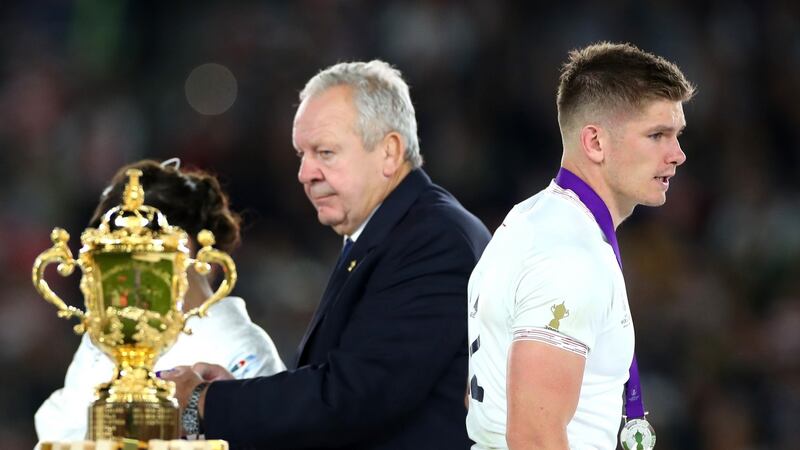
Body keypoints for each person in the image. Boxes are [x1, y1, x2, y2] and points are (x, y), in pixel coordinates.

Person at [163, 60, 491, 449]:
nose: (305, 173)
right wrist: (235, 400)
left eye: (325, 152)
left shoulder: (433, 239)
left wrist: (207, 402)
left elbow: (356, 398)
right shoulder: (387, 231)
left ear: (389, 152)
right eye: (302, 154)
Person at [465, 42, 695, 449]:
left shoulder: (530, 220)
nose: (677, 154)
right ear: (595, 143)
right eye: (657, 134)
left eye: (677, 135)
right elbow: (535, 437)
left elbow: (485, 397)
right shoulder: (568, 256)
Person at [34, 159, 286, 443]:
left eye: (124, 254)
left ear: (179, 250)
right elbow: (58, 432)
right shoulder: (106, 338)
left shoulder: (242, 350)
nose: (113, 276)